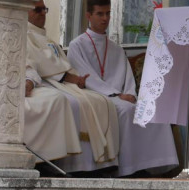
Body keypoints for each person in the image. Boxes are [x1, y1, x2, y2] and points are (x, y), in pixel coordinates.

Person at [67, 0, 178, 177]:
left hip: (120, 97)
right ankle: (127, 168)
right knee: (126, 112)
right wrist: (117, 95)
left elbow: (127, 77)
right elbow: (86, 77)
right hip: (96, 97)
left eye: (108, 13)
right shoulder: (76, 45)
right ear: (88, 16)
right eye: (100, 14)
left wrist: (129, 94)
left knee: (151, 112)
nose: (105, 18)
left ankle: (151, 164)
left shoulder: (116, 48)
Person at [26, 0, 119, 173]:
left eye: (44, 9)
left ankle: (100, 162)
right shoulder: (25, 35)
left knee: (103, 101)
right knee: (75, 104)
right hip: (48, 83)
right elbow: (41, 64)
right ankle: (75, 165)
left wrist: (75, 78)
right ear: (25, 11)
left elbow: (60, 63)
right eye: (37, 10)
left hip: (62, 81)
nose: (43, 13)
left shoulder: (47, 38)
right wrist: (69, 77)